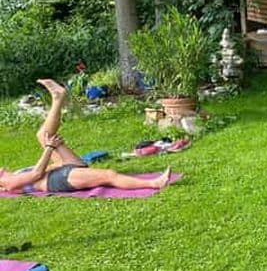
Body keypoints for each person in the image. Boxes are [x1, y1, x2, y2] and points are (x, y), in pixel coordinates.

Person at [0, 79, 171, 194]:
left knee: (43, 134)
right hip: (60, 180)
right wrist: (50, 148)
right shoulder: (8, 184)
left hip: (63, 169)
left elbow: (44, 169)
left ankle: (58, 97)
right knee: (109, 175)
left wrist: (56, 152)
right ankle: (154, 183)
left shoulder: (14, 173)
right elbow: (37, 174)